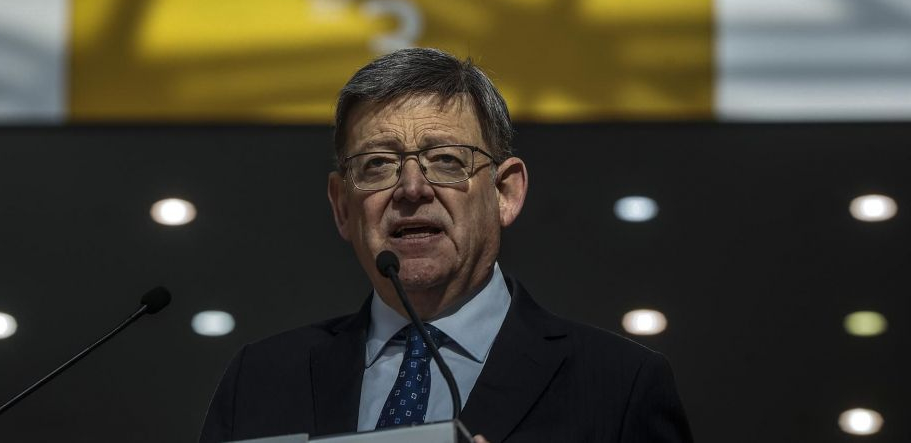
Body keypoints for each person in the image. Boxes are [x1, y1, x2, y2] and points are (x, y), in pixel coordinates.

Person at [200, 48, 693, 443]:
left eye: (446, 160)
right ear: (342, 206)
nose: (412, 188)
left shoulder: (619, 385)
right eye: (377, 164)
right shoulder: (260, 379)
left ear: (505, 193)